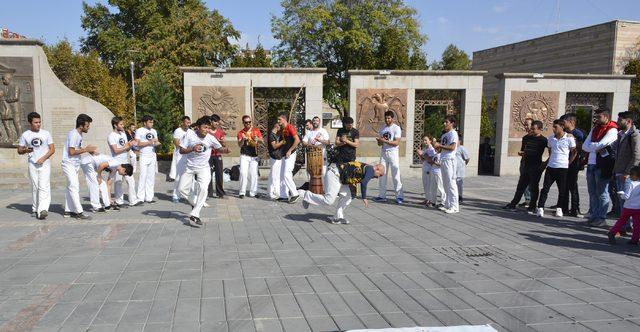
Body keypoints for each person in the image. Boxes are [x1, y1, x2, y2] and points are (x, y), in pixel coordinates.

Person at [178, 116, 229, 226]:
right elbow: (181, 150)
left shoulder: (210, 138)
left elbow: (219, 148)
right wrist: (192, 148)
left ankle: (195, 214)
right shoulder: (190, 135)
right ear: (198, 127)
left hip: (203, 168)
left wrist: (225, 150)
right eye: (204, 127)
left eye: (208, 128)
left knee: (203, 189)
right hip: (189, 167)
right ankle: (196, 204)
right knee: (182, 189)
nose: (206, 130)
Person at [297, 161, 385, 224]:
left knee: (348, 197)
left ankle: (337, 217)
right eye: (380, 175)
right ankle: (307, 195)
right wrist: (364, 197)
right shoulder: (370, 170)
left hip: (341, 178)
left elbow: (353, 176)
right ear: (377, 168)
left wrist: (354, 192)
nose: (378, 177)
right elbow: (364, 182)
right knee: (329, 201)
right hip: (334, 175)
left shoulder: (366, 168)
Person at [583, 108, 618, 227]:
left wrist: (593, 146)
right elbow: (584, 146)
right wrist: (594, 146)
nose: (596, 119)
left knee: (602, 192)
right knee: (592, 192)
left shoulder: (612, 130)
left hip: (603, 165)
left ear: (606, 117)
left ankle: (601, 218)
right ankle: (594, 215)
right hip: (591, 163)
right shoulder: (594, 129)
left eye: (599, 117)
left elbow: (603, 144)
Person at [503, 120, 548, 212]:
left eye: (534, 129)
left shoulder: (543, 140)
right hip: (526, 165)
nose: (531, 130)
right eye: (531, 128)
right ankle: (513, 204)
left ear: (540, 129)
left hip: (536, 166)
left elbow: (552, 151)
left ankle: (532, 206)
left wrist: (544, 164)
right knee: (520, 187)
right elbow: (523, 151)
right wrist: (522, 157)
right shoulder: (526, 138)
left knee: (534, 187)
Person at [535, 119, 577, 218]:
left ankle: (559, 208)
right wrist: (550, 161)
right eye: (553, 127)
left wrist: (568, 162)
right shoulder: (550, 139)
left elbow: (574, 152)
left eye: (555, 127)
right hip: (551, 167)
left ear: (562, 127)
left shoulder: (569, 138)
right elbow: (550, 151)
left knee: (562, 190)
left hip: (563, 168)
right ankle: (540, 208)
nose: (553, 129)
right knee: (545, 188)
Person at [17, 112, 55, 220]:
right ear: (30, 123)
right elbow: (19, 150)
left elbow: (52, 149)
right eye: (36, 122)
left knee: (43, 186)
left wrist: (43, 158)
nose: (38, 124)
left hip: (45, 164)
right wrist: (25, 150)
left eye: (39, 122)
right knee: (35, 187)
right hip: (32, 164)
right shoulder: (26, 135)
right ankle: (35, 208)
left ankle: (43, 210)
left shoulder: (46, 133)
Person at [62, 114, 95, 220]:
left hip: (74, 164)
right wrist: (85, 150)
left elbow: (77, 148)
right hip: (69, 163)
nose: (88, 127)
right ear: (81, 125)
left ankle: (68, 210)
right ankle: (79, 212)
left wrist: (89, 151)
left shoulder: (79, 135)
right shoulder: (73, 134)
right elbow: (71, 152)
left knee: (70, 187)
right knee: (74, 186)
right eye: (87, 125)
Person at [612, 111, 640, 216]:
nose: (618, 122)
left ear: (628, 121)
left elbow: (637, 156)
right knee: (621, 201)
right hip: (619, 171)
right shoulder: (622, 134)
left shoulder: (634, 135)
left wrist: (628, 172)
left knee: (626, 201)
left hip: (626, 173)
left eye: (620, 120)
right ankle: (624, 225)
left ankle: (625, 227)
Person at [108, 116, 139, 207]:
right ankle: (119, 201)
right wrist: (127, 146)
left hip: (125, 161)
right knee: (118, 182)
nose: (123, 126)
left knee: (131, 180)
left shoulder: (123, 134)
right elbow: (116, 150)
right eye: (121, 124)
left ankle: (133, 201)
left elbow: (126, 146)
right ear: (115, 125)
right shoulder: (111, 136)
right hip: (117, 162)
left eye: (123, 124)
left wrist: (131, 144)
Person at [374, 111, 404, 204]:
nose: (387, 120)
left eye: (389, 118)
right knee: (382, 174)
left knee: (395, 174)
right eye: (386, 118)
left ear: (392, 118)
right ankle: (382, 195)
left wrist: (383, 140)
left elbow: (396, 143)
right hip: (384, 152)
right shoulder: (382, 128)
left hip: (393, 152)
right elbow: (380, 144)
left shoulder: (396, 128)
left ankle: (399, 196)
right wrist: (379, 141)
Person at [559, 113, 585, 217]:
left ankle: (575, 209)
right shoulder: (564, 133)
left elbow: (578, 149)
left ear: (571, 122)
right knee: (564, 186)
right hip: (564, 163)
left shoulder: (578, 133)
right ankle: (564, 208)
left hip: (573, 163)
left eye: (564, 122)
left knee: (573, 186)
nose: (563, 124)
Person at [607, 166, 640, 245]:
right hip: (638, 208)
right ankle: (635, 239)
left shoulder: (630, 183)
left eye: (631, 174)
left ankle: (612, 233)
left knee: (621, 221)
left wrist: (621, 194)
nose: (630, 175)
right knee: (637, 224)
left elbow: (626, 196)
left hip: (628, 207)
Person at [433, 116, 460, 214]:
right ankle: (448, 204)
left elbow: (452, 147)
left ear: (452, 123)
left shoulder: (453, 133)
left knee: (451, 183)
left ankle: (455, 206)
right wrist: (435, 145)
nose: (444, 124)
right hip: (443, 160)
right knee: (445, 184)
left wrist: (440, 145)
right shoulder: (444, 135)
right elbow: (440, 149)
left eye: (446, 122)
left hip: (450, 160)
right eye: (444, 122)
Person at [136, 115, 161, 204]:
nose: (152, 123)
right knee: (143, 176)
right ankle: (140, 198)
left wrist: (157, 143)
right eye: (150, 122)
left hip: (152, 155)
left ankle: (149, 197)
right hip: (144, 155)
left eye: (152, 122)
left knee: (151, 177)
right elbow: (138, 144)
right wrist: (150, 142)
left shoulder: (154, 131)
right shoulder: (140, 130)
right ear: (145, 122)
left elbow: (156, 141)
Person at [237, 115, 263, 198]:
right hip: (244, 155)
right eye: (246, 122)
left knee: (254, 174)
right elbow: (239, 145)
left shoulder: (256, 130)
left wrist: (257, 139)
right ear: (243, 123)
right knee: (243, 173)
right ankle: (242, 192)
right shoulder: (240, 133)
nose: (248, 124)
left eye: (249, 122)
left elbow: (262, 141)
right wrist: (243, 140)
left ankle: (253, 192)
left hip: (253, 156)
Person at [277, 113, 301, 203]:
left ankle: (295, 194)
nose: (278, 121)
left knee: (287, 174)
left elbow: (297, 140)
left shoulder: (290, 127)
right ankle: (284, 195)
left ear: (284, 119)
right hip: (284, 154)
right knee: (282, 175)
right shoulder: (283, 129)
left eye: (279, 119)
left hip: (290, 154)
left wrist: (290, 150)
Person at [171, 116, 192, 202]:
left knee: (188, 176)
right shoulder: (178, 131)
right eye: (187, 122)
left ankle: (187, 194)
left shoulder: (191, 132)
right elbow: (176, 143)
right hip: (179, 155)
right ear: (182, 122)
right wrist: (184, 147)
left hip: (188, 155)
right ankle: (175, 195)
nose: (188, 124)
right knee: (178, 176)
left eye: (189, 123)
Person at [208, 114, 227, 199]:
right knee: (208, 174)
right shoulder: (207, 131)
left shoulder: (220, 132)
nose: (216, 123)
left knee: (219, 174)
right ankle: (209, 192)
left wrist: (222, 142)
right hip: (208, 155)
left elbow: (223, 144)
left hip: (218, 155)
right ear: (211, 122)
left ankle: (220, 193)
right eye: (215, 121)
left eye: (218, 122)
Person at [267, 122, 286, 200]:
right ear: (276, 126)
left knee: (273, 175)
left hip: (277, 157)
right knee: (275, 176)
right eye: (280, 126)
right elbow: (274, 146)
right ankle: (274, 193)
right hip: (274, 157)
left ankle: (270, 191)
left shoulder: (276, 135)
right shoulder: (271, 135)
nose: (280, 128)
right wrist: (282, 142)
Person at [427, 140, 446, 208]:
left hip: (439, 172)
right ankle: (433, 201)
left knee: (440, 187)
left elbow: (441, 164)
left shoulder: (442, 155)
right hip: (433, 171)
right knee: (433, 187)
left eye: (437, 147)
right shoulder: (436, 154)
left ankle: (443, 202)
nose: (435, 148)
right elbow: (433, 162)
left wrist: (434, 162)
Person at [416, 134, 433, 206]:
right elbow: (423, 159)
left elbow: (431, 160)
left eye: (426, 140)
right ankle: (426, 199)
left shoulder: (431, 149)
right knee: (425, 184)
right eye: (423, 140)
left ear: (430, 141)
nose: (424, 141)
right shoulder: (425, 148)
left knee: (429, 185)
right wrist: (419, 154)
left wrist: (422, 154)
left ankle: (430, 200)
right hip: (425, 168)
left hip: (429, 169)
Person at [455, 136, 470, 203]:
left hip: (460, 169)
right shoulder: (453, 148)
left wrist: (463, 165)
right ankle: (455, 196)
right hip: (453, 168)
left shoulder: (462, 148)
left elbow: (467, 159)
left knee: (459, 183)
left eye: (457, 140)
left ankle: (460, 196)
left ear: (460, 141)